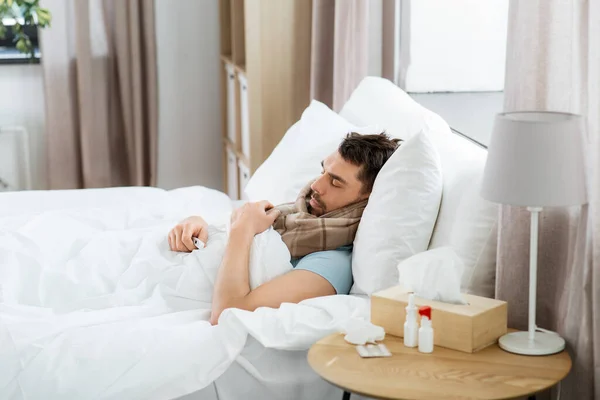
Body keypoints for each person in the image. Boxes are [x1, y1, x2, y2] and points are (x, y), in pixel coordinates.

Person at [168, 132, 401, 324]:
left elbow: (227, 314)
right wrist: (198, 223)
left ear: (366, 200)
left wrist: (243, 230)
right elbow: (233, 233)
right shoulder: (294, 215)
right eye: (322, 172)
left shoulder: (332, 264)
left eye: (336, 182)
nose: (316, 185)